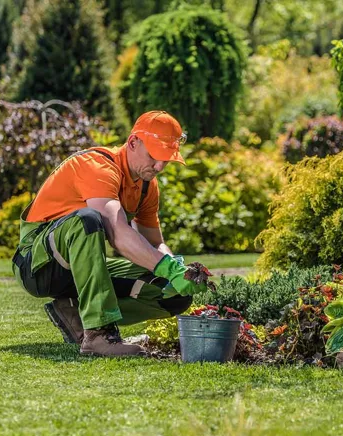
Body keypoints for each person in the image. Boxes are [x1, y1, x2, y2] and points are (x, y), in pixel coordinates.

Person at [11, 110, 210, 357]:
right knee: (89, 219)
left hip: (82, 267)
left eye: (166, 159)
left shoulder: (147, 185)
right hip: (37, 265)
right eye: (154, 156)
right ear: (133, 142)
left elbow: (155, 244)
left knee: (172, 296)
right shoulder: (98, 167)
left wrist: (179, 271)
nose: (159, 166)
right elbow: (117, 232)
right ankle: (98, 334)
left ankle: (73, 313)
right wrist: (169, 268)